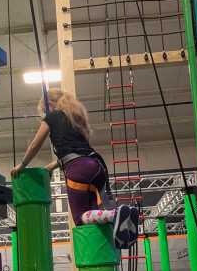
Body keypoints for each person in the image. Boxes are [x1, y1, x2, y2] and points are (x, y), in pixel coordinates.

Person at [11, 88, 138, 249]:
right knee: (92, 213)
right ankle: (115, 225)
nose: (44, 114)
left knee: (80, 217)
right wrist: (53, 165)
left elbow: (35, 144)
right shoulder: (75, 118)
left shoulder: (52, 117)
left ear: (49, 105)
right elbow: (76, 149)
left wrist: (22, 164)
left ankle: (115, 214)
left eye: (43, 111)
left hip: (79, 171)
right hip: (97, 167)